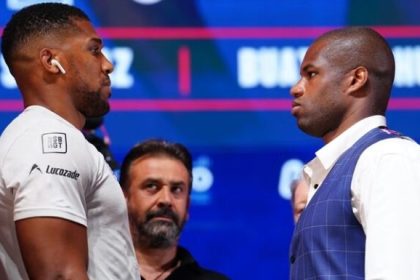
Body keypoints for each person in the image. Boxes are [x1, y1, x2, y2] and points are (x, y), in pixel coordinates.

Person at [0, 3, 139, 279]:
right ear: (51, 62)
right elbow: (59, 275)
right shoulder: (50, 142)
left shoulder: (38, 138)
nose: (108, 65)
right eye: (95, 50)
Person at [289, 27, 420, 279]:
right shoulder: (337, 169)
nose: (296, 88)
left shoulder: (388, 158)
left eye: (311, 74)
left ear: (356, 79)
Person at [119, 139, 230, 280]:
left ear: (187, 205)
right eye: (152, 186)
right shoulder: (91, 274)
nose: (166, 200)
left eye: (176, 189)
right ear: (122, 199)